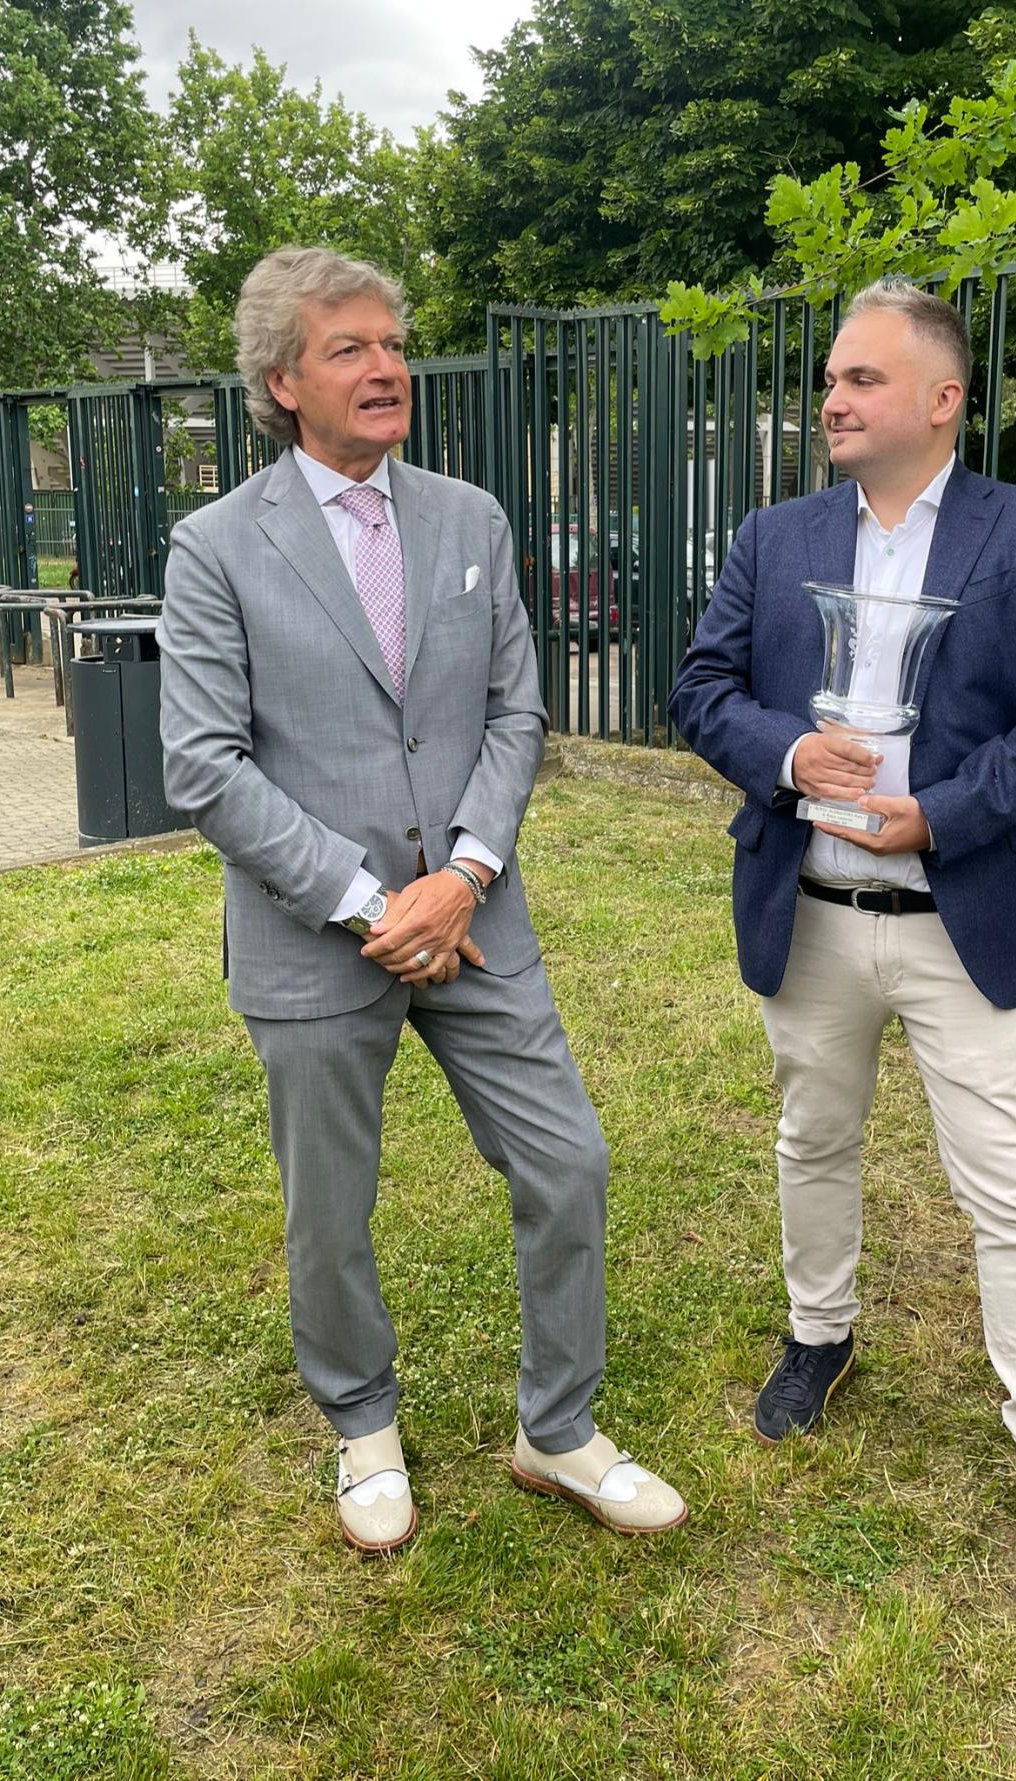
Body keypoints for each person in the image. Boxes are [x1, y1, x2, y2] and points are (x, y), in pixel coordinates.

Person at [159, 246, 685, 1554]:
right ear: (283, 381)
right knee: (329, 1207)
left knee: (568, 1161)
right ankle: (364, 1426)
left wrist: (462, 878)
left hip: (474, 918)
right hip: (314, 940)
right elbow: (204, 765)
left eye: (392, 343)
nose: (386, 366)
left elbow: (515, 712)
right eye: (350, 348)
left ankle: (558, 1428)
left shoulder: (469, 519)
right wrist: (368, 905)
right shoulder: (216, 547)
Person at [669, 276, 1016, 1633]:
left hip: (962, 921)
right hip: (810, 908)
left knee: (1015, 1195)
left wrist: (947, 811)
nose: (833, 398)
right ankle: (820, 1335)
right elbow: (701, 688)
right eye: (830, 377)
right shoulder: (774, 535)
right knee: (812, 1141)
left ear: (942, 398)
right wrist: (788, 752)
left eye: (862, 378)